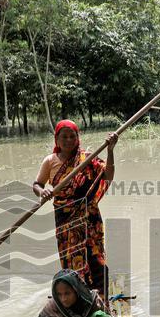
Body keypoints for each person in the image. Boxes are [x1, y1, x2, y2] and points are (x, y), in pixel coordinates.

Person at [33, 119, 117, 301]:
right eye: (64, 137)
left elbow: (108, 175)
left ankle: (101, 300)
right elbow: (37, 184)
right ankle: (77, 300)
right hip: (65, 220)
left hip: (89, 217)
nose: (69, 140)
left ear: (77, 138)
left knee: (95, 258)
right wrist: (43, 191)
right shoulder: (50, 161)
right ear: (57, 139)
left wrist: (110, 151)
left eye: (72, 136)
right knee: (72, 261)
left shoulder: (87, 158)